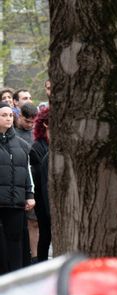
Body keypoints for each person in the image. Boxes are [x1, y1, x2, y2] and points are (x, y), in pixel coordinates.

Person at [28, 106, 49, 263]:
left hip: (54, 199)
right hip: (43, 201)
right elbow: (39, 180)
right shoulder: (37, 148)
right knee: (45, 236)